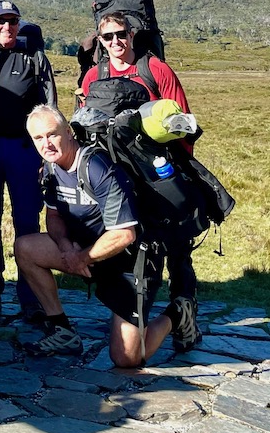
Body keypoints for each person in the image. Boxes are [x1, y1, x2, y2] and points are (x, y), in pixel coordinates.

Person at [14, 105, 197, 366]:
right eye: (38, 138)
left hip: (130, 261)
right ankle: (61, 330)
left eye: (52, 134)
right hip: (86, 250)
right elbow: (53, 216)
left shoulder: (96, 166)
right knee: (25, 248)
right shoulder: (51, 167)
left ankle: (178, 313)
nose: (47, 144)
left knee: (128, 358)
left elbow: (124, 234)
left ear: (68, 132)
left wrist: (81, 258)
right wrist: (66, 248)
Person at [80, 10, 200, 351]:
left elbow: (182, 120)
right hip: (118, 180)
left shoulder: (155, 69)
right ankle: (134, 312)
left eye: (121, 34)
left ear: (132, 35)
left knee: (177, 244)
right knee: (132, 245)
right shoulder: (93, 76)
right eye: (108, 37)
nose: (116, 42)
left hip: (158, 174)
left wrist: (178, 172)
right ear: (100, 41)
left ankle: (184, 308)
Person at [0, 0, 56, 328]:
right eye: (1, 21)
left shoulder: (33, 56)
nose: (7, 27)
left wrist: (48, 156)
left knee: (26, 222)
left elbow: (49, 108)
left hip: (23, 150)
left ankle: (31, 297)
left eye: (13, 21)